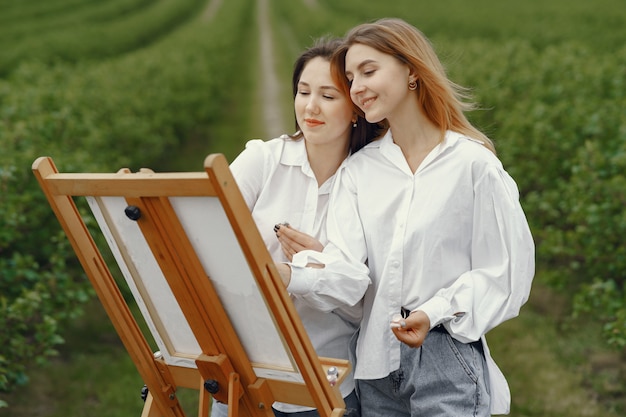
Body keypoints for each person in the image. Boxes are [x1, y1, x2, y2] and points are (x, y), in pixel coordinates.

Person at [277, 18, 535, 416]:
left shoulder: (472, 165)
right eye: (350, 77)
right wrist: (296, 273)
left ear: (411, 70)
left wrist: (434, 311)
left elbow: (505, 273)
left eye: (369, 70)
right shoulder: (359, 171)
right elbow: (348, 269)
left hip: (444, 353)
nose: (357, 87)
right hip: (375, 367)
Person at [211, 37, 383, 417]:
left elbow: (363, 302)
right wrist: (322, 269)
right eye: (303, 91)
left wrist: (307, 267)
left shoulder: (369, 181)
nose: (311, 106)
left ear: (355, 109)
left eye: (328, 95)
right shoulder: (263, 160)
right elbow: (210, 243)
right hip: (244, 374)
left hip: (325, 380)